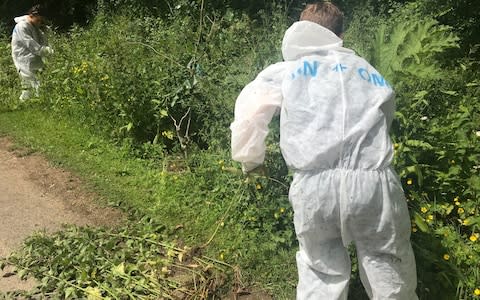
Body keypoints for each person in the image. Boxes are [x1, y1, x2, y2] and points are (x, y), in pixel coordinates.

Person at [230, 2, 418, 299]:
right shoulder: (368, 71)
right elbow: (387, 118)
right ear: (340, 33)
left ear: (300, 29)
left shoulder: (287, 70)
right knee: (387, 263)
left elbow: (251, 112)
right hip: (374, 183)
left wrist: (250, 160)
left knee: (321, 268)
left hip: (314, 187)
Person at [11, 4, 53, 101]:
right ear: (31, 16)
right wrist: (49, 51)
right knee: (31, 80)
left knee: (32, 82)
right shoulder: (21, 27)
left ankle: (29, 103)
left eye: (41, 21)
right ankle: (39, 101)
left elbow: (43, 41)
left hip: (33, 57)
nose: (39, 23)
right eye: (38, 20)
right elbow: (32, 45)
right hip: (22, 57)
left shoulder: (34, 26)